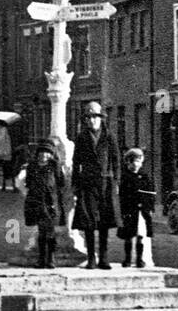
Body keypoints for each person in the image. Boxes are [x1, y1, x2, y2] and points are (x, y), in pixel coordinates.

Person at [71, 101, 120, 269]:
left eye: (95, 117)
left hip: (105, 183)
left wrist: (116, 181)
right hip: (87, 183)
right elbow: (76, 162)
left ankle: (104, 258)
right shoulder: (81, 137)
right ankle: (91, 258)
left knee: (105, 222)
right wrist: (75, 185)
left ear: (101, 119)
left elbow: (116, 160)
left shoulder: (109, 136)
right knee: (89, 221)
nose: (92, 121)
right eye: (89, 118)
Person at [20, 139, 65, 269]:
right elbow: (28, 182)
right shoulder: (32, 166)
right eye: (42, 152)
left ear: (51, 154)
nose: (44, 155)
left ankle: (50, 259)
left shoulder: (54, 166)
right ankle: (41, 259)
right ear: (38, 153)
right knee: (41, 232)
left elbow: (60, 182)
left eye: (47, 153)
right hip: (36, 202)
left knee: (50, 231)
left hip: (50, 202)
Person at [118, 147, 156, 268]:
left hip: (142, 210)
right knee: (129, 235)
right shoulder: (125, 177)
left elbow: (151, 193)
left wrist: (150, 208)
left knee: (140, 235)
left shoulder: (145, 176)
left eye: (139, 161)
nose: (136, 164)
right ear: (128, 162)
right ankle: (128, 259)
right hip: (129, 209)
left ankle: (139, 259)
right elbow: (122, 195)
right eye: (134, 161)